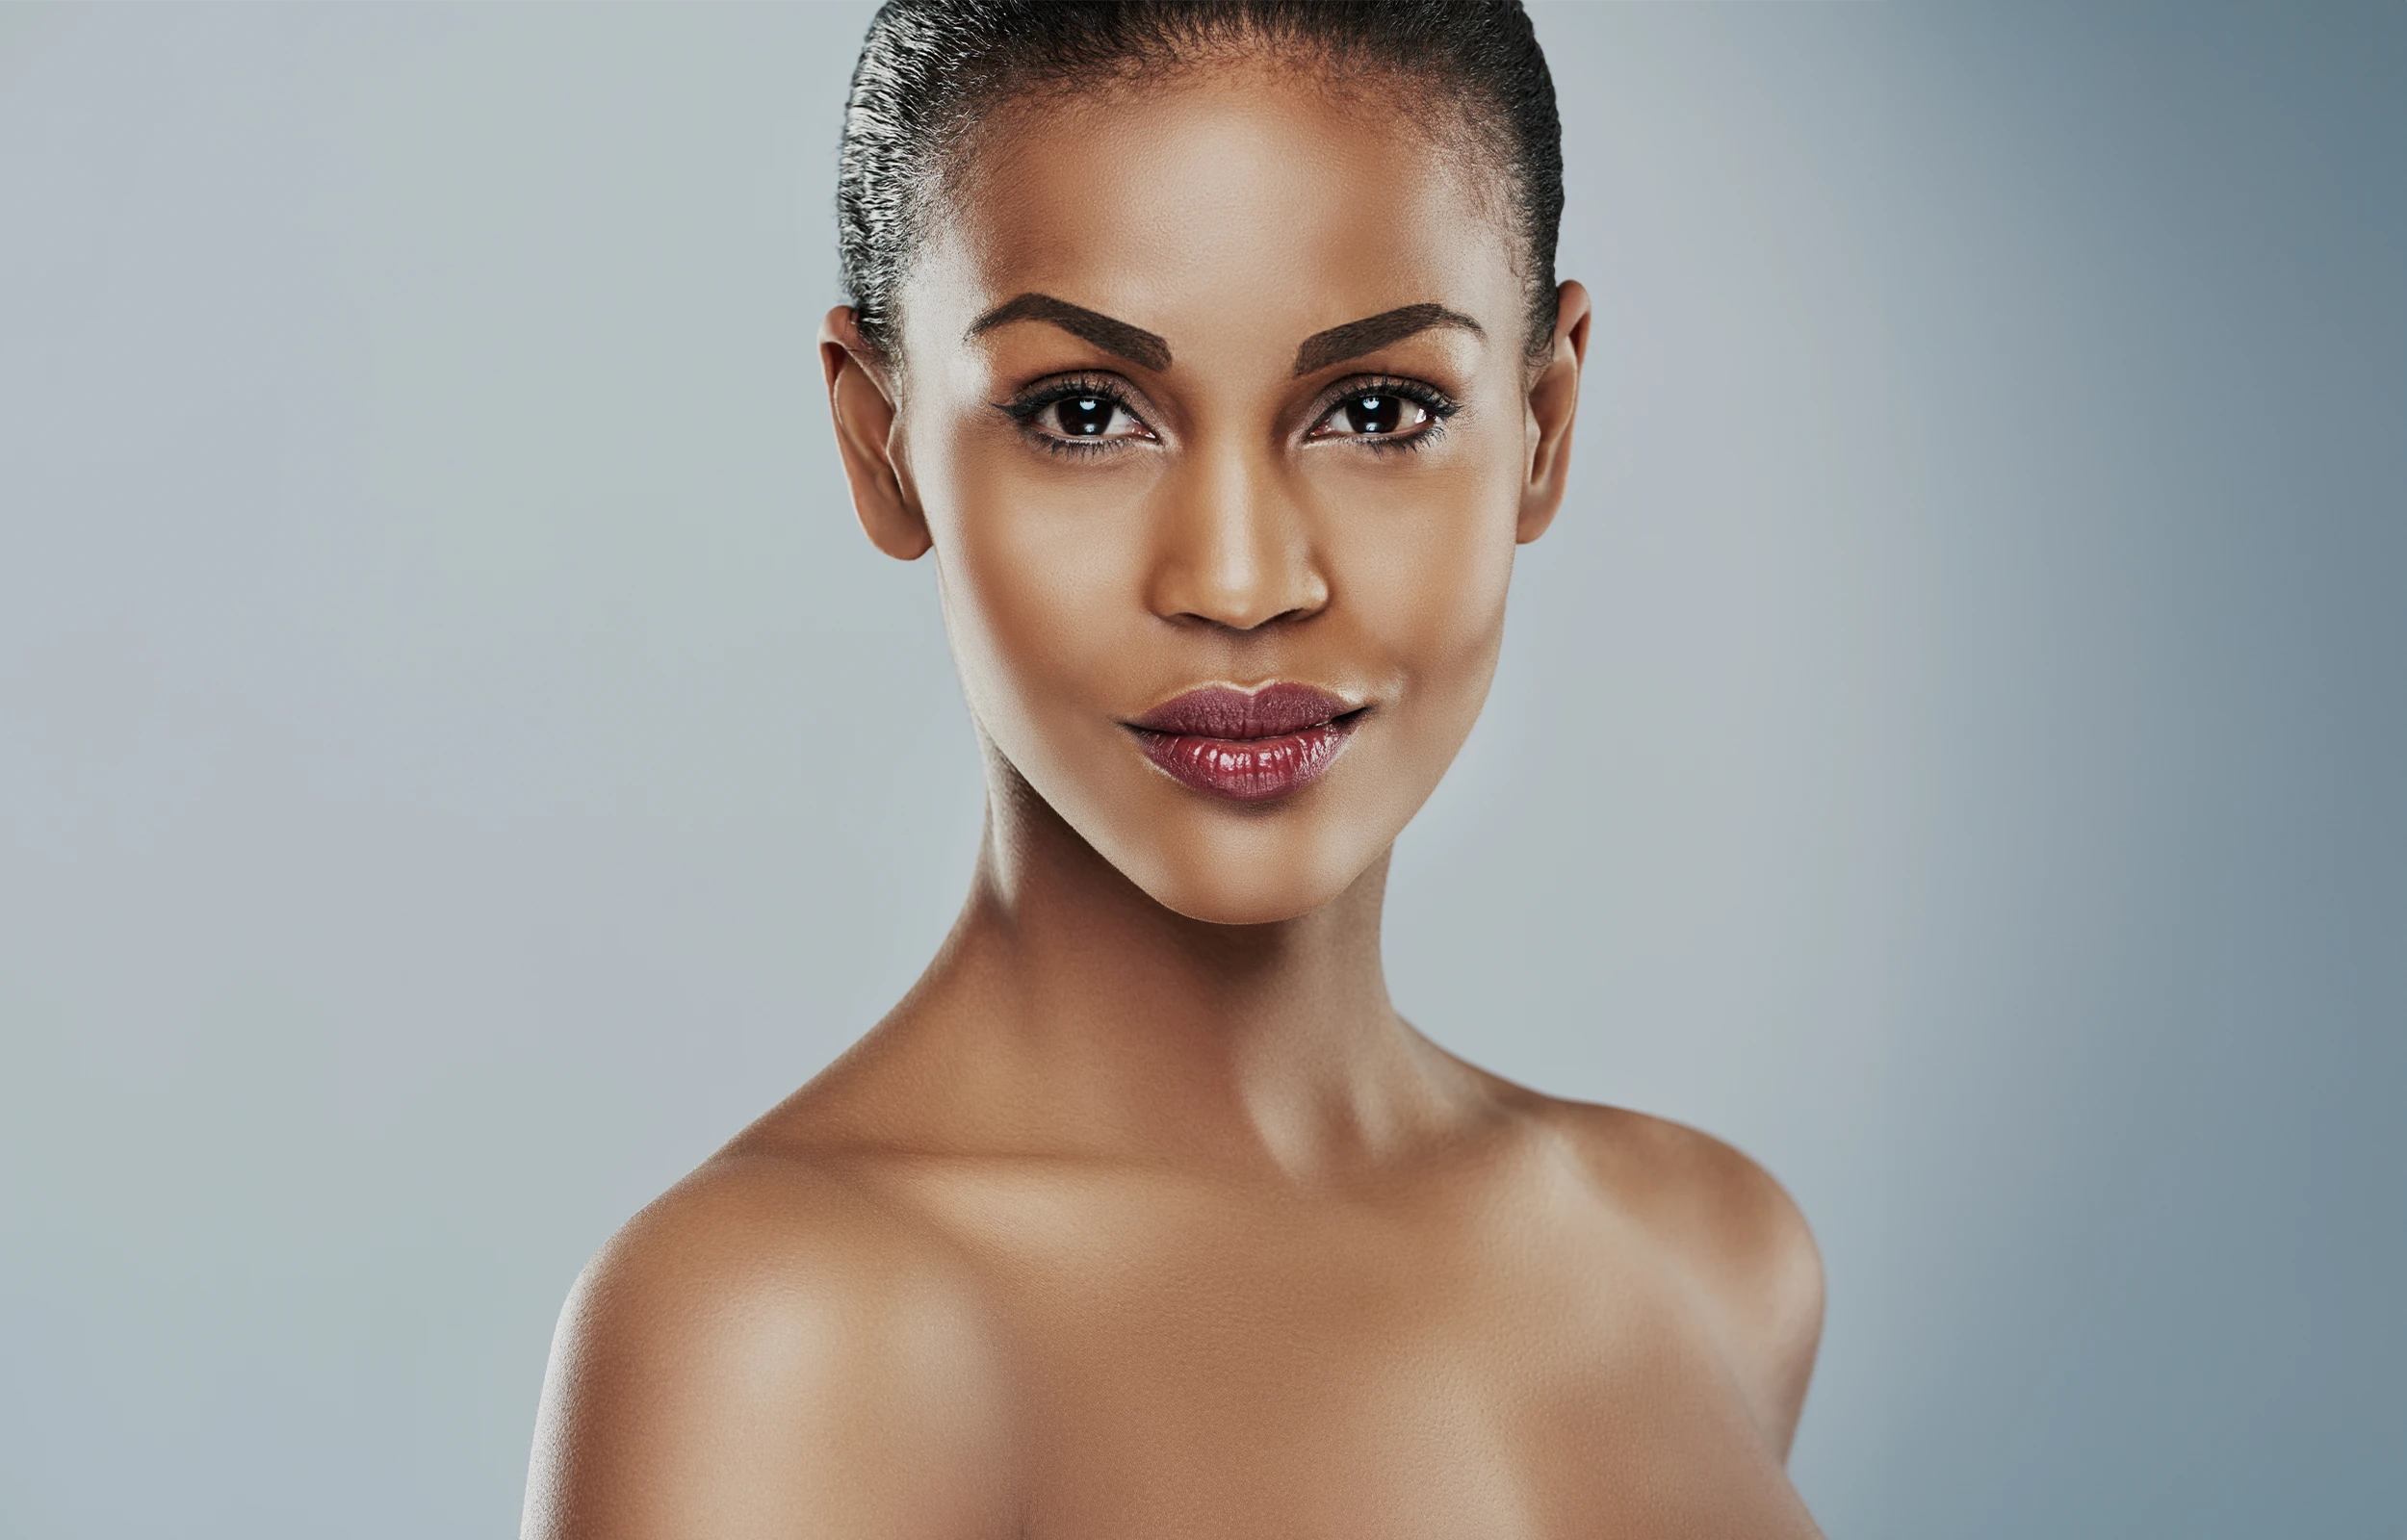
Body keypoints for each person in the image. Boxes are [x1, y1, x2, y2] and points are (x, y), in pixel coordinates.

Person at [523, 2, 1825, 1534]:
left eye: (1376, 410)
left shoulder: (1711, 1253)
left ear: (1543, 423)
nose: (1239, 577)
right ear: (882, 443)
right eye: (1086, 414)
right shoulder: (783, 1334)